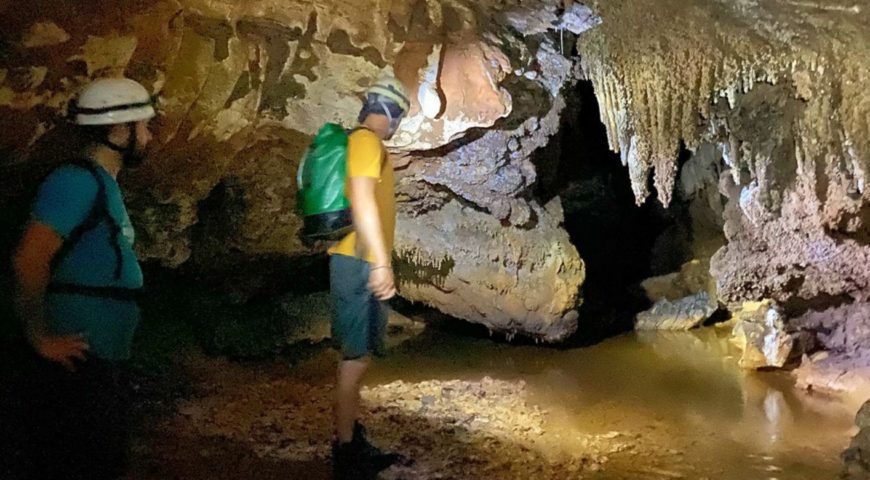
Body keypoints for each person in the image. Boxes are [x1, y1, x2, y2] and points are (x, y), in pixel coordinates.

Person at [11, 77, 155, 479]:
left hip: (100, 359)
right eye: (143, 125)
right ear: (117, 130)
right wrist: (39, 337)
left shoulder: (101, 184)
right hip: (77, 360)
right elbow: (28, 258)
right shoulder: (75, 181)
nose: (149, 135)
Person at [328, 73, 410, 478]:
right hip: (358, 260)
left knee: (360, 357)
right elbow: (361, 199)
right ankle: (345, 452)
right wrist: (380, 261)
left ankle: (352, 437)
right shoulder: (364, 141)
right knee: (354, 360)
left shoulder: (362, 144)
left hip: (358, 258)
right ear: (391, 113)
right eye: (400, 116)